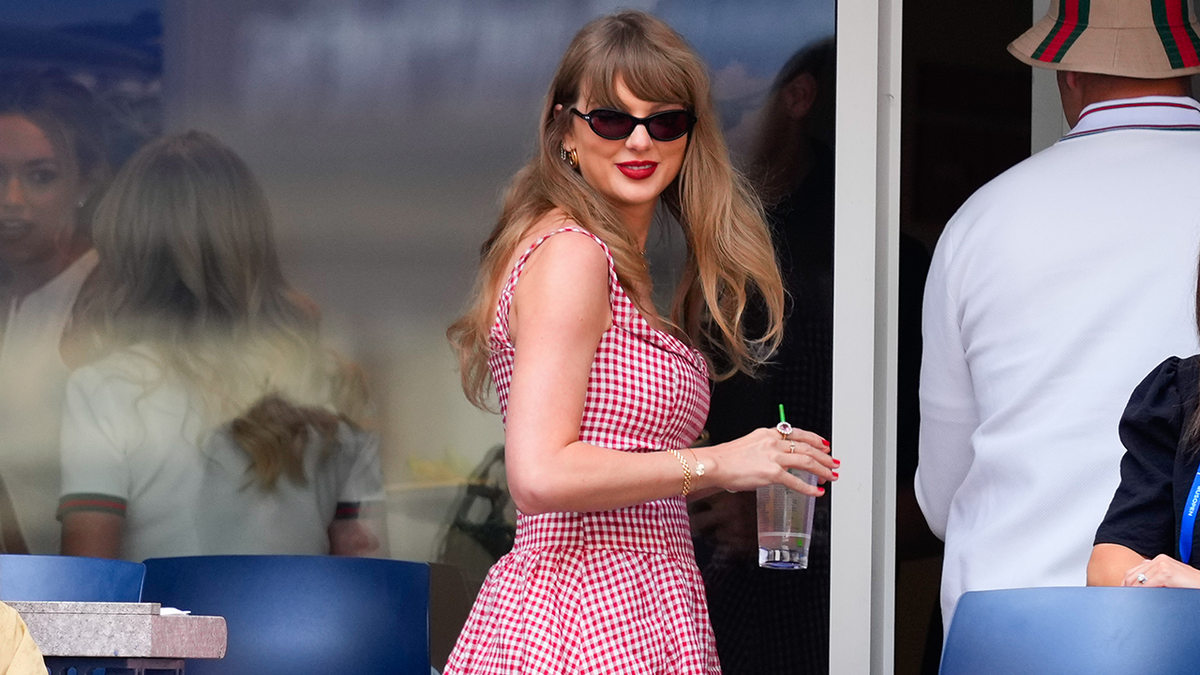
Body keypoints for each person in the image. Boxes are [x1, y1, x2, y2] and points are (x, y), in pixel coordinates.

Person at [443, 11, 838, 674]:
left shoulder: (617, 264)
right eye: (610, 119)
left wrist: (735, 468)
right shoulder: (572, 255)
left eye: (664, 121)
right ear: (565, 131)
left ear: (689, 136)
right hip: (582, 607)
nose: (638, 141)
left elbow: (612, 459)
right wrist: (719, 465)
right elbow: (539, 473)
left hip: (639, 602)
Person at [915, 0, 1200, 630]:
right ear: (1187, 66)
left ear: (1066, 73)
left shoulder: (981, 220)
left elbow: (942, 496)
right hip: (1179, 620)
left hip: (1008, 623)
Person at [56, 131, 386, 562]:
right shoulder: (332, 382)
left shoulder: (103, 388)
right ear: (253, 242)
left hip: (167, 630)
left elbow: (88, 594)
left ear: (125, 248)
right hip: (303, 627)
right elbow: (366, 572)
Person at [0, 69, 111, 555]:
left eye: (40, 176)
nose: (11, 201)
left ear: (84, 184)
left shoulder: (105, 298)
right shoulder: (12, 296)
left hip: (81, 603)